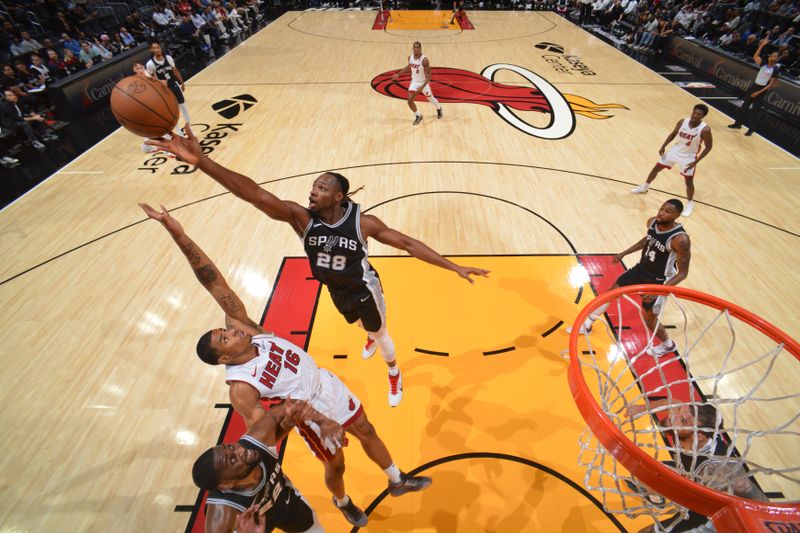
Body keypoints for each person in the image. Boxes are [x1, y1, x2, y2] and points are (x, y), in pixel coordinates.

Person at [145, 128, 488, 408]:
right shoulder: (301, 219)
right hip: (335, 291)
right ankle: (369, 336)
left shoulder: (363, 223)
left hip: (363, 289)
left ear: (338, 197)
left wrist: (453, 266)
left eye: (322, 188)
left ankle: (394, 371)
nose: (313, 191)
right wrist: (203, 162)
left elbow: (409, 245)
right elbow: (253, 194)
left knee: (381, 334)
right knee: (358, 326)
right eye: (313, 186)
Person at [140, 203, 434, 527]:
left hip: (327, 382)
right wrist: (317, 421)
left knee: (366, 429)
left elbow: (212, 280)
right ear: (225, 358)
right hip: (307, 412)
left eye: (224, 330)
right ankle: (343, 500)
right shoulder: (241, 388)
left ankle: (396, 479)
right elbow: (268, 431)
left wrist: (177, 233)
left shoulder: (247, 328)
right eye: (225, 338)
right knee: (336, 466)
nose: (232, 330)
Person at [567, 200, 690, 358]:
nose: (661, 213)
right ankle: (588, 325)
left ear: (677, 215)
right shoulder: (653, 222)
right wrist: (624, 252)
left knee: (649, 318)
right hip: (640, 270)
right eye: (661, 208)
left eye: (667, 211)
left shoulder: (680, 240)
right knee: (611, 293)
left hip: (659, 281)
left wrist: (659, 292)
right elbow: (646, 241)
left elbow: (683, 273)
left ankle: (668, 344)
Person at [193, 397, 329, 533]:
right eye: (233, 460)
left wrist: (321, 422)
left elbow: (290, 405)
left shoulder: (257, 439)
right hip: (254, 526)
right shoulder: (224, 512)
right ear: (226, 485)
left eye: (230, 447)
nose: (241, 450)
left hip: (284, 501)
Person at [627, 401, 766, 532]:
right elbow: (670, 402)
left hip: (711, 519)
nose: (672, 417)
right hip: (695, 482)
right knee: (650, 471)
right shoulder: (688, 424)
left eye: (682, 421)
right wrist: (641, 408)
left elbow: (752, 495)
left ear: (699, 437)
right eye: (679, 411)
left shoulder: (717, 467)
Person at [630, 104, 713, 217]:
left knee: (688, 181)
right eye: (694, 112)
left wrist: (695, 162)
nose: (695, 115)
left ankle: (689, 204)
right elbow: (673, 134)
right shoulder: (682, 122)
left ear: (703, 116)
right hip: (675, 150)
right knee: (656, 169)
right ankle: (644, 187)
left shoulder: (705, 129)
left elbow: (708, 147)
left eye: (698, 114)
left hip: (688, 156)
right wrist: (663, 146)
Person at [728, 37, 781, 137]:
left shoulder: (776, 69)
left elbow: (771, 84)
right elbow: (755, 56)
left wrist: (758, 92)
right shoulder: (764, 64)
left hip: (762, 90)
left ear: (777, 59)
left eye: (775, 56)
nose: (772, 57)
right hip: (754, 86)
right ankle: (737, 124)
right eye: (772, 55)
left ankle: (751, 129)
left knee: (754, 111)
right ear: (769, 56)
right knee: (744, 106)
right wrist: (762, 45)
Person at [391, 42, 443, 125]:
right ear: (413, 48)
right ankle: (418, 115)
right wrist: (398, 74)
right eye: (415, 47)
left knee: (430, 99)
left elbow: (429, 75)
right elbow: (409, 67)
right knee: (409, 101)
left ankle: (439, 108)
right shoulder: (410, 57)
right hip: (414, 82)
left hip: (423, 83)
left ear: (420, 48)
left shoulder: (424, 60)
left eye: (418, 47)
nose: (416, 49)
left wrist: (422, 87)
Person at [145, 42, 191, 125]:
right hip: (163, 89)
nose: (157, 49)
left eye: (158, 47)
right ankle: (179, 132)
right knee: (172, 111)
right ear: (151, 50)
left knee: (183, 106)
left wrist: (182, 82)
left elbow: (175, 71)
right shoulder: (150, 64)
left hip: (174, 84)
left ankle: (189, 127)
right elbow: (149, 78)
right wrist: (159, 82)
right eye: (154, 48)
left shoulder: (168, 58)